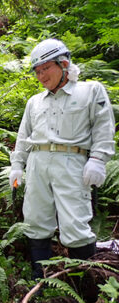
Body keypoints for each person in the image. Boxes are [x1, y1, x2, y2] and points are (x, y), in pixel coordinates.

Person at [9, 39, 115, 279]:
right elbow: (23, 136)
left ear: (63, 63)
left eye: (46, 68)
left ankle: (82, 285)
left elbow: (103, 127)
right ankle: (42, 279)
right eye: (37, 71)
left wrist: (98, 159)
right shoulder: (34, 102)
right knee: (35, 220)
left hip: (72, 162)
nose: (41, 75)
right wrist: (17, 166)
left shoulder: (90, 91)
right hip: (37, 164)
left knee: (75, 222)